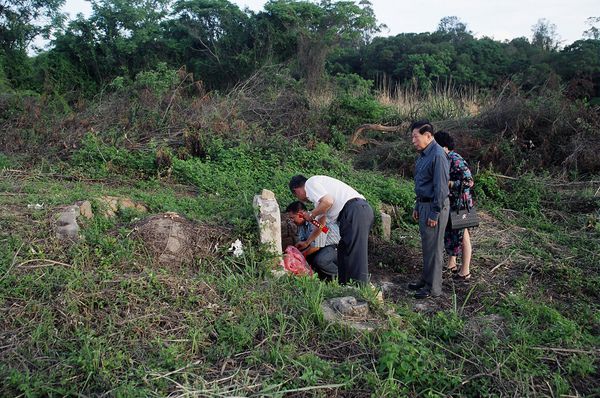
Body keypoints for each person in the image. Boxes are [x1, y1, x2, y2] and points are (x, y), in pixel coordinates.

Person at [288, 175, 374, 285]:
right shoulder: (318, 200)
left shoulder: (310, 183)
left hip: (354, 211)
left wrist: (311, 214)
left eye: (292, 217)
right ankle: (345, 285)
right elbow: (322, 226)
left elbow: (328, 202)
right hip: (352, 215)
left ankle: (362, 288)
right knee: (344, 253)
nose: (301, 199)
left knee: (355, 253)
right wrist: (306, 242)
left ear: (296, 191)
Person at [408, 120, 450, 299]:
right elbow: (422, 183)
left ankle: (433, 288)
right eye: (412, 137)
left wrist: (434, 212)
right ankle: (425, 280)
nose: (413, 141)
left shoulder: (438, 155)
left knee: (434, 248)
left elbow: (441, 188)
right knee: (427, 246)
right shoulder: (424, 154)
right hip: (424, 204)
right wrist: (418, 205)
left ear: (428, 136)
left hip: (435, 207)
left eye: (415, 137)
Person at [434, 131, 474, 281]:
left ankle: (465, 271)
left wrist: (450, 183)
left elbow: (469, 182)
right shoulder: (444, 158)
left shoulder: (455, 159)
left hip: (461, 205)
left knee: (463, 237)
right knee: (452, 235)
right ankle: (452, 265)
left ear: (443, 146)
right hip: (452, 204)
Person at [285, 201, 340, 281]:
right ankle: (325, 279)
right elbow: (306, 243)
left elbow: (316, 247)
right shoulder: (301, 225)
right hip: (322, 247)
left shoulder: (316, 220)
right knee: (308, 260)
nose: (291, 221)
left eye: (292, 218)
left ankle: (342, 279)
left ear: (300, 214)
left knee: (320, 261)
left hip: (335, 246)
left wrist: (300, 255)